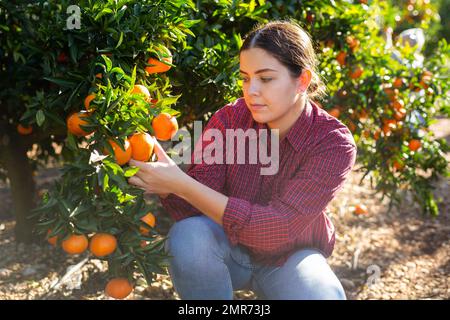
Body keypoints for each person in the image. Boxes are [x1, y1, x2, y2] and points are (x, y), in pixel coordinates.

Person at [128, 20, 357, 300]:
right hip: (229, 249)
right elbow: (195, 211)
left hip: (291, 259)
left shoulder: (332, 142)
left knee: (320, 295)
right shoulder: (229, 120)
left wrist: (182, 185)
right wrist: (169, 185)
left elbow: (279, 227)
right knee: (188, 236)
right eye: (245, 78)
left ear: (302, 80)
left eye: (266, 78)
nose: (251, 91)